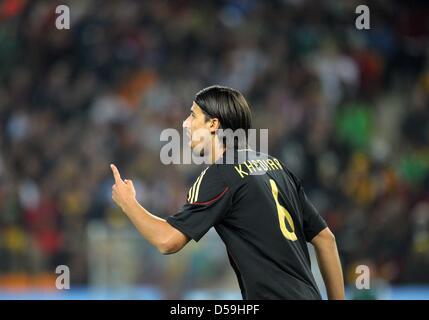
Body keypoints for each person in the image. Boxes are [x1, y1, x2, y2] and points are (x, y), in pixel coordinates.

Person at [110, 85, 345, 300]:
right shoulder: (277, 166)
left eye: (192, 115)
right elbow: (326, 239)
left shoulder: (221, 173)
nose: (184, 124)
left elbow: (167, 241)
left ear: (213, 124)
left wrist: (128, 203)